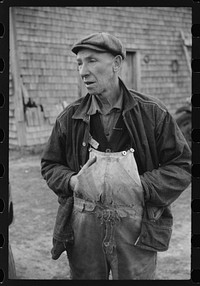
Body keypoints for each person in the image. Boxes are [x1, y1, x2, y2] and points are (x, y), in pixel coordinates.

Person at [41, 32, 191, 280]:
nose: (83, 71)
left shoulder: (152, 113)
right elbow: (50, 165)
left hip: (136, 228)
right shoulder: (70, 117)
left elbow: (182, 165)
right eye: (79, 63)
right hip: (83, 227)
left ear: (117, 64)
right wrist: (72, 182)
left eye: (91, 61)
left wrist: (142, 186)